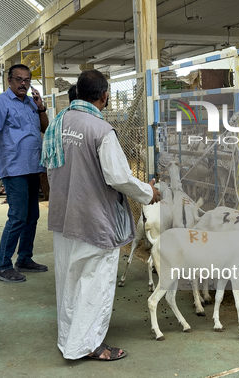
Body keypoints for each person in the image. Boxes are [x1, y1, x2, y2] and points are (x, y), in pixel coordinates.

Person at [42, 70, 160, 361]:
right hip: (93, 220)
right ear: (105, 96)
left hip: (63, 217)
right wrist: (148, 192)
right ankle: (89, 345)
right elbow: (118, 176)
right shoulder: (100, 129)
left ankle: (68, 340)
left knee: (69, 281)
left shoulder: (57, 124)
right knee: (95, 283)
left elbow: (48, 168)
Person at [0, 64, 49, 283]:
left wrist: (41, 108)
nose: (23, 83)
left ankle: (24, 258)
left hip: (33, 166)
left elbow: (44, 128)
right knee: (18, 217)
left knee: (32, 216)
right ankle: (2, 266)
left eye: (27, 79)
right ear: (9, 81)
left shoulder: (32, 102)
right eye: (19, 79)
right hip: (14, 169)